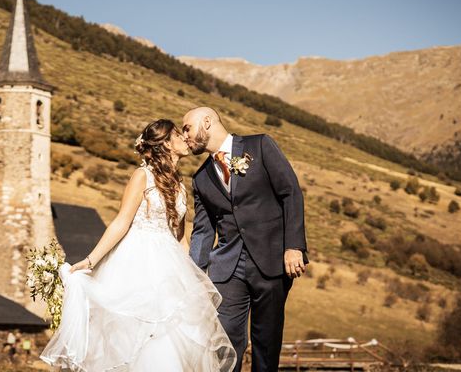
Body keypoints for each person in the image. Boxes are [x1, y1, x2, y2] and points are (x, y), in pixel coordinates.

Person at [40, 119, 237, 371]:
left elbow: (180, 237)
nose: (185, 138)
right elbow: (121, 222)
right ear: (165, 143)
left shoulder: (179, 185)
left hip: (169, 269)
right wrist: (90, 261)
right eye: (179, 134)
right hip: (138, 264)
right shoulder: (142, 176)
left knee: (171, 336)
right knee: (141, 335)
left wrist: (195, 278)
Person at [181, 106, 310, 372]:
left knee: (266, 341)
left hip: (272, 261)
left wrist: (294, 246)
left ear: (207, 121)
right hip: (226, 270)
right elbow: (204, 232)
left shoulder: (260, 145)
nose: (185, 136)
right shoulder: (201, 178)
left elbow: (291, 193)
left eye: (187, 128)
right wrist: (195, 273)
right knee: (225, 341)